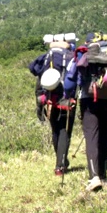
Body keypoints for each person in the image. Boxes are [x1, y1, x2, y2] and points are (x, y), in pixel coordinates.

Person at [65, 32, 107, 191]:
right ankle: (104, 176)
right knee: (105, 135)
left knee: (91, 136)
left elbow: (70, 81)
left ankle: (94, 177)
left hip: (88, 99)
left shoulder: (84, 54)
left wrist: (69, 96)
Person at [29, 34, 77, 176]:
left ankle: (60, 161)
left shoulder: (46, 56)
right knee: (64, 131)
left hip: (49, 99)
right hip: (67, 99)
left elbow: (34, 70)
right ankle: (60, 165)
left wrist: (39, 103)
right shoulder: (72, 56)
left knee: (55, 130)